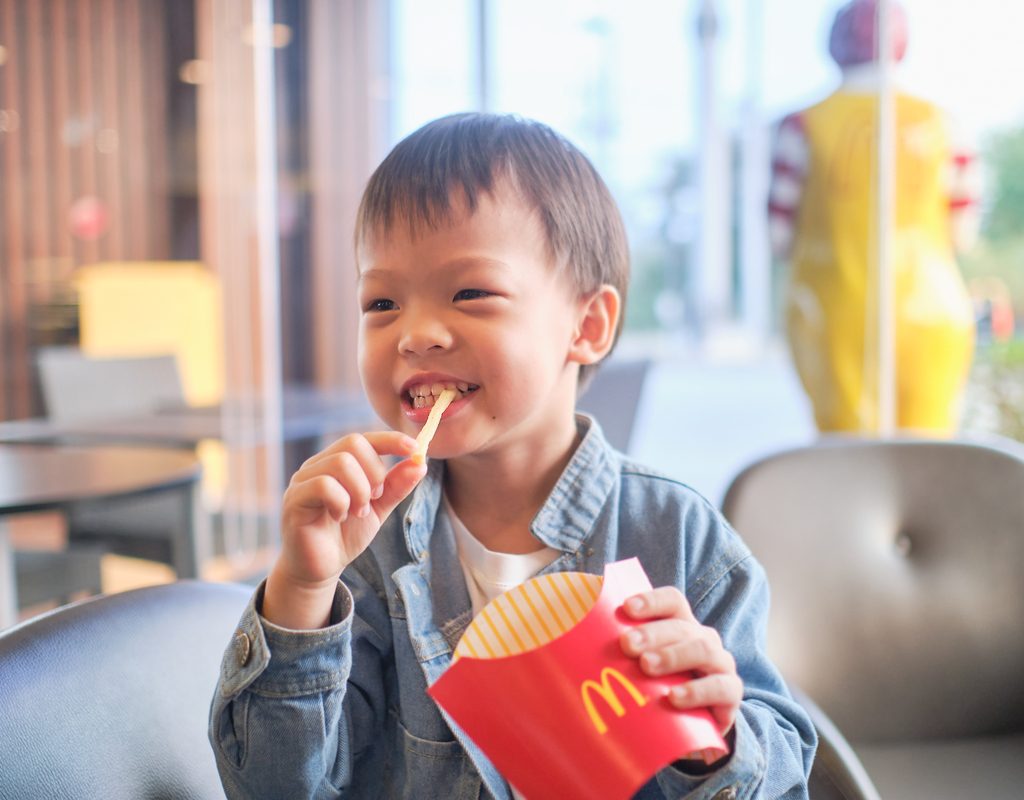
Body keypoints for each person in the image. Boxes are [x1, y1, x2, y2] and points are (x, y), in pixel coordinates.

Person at [210, 112, 816, 799]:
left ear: (587, 326)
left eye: (470, 293)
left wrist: (717, 740)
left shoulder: (679, 540)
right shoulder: (365, 553)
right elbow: (272, 787)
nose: (415, 334)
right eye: (381, 302)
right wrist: (302, 590)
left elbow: (784, 770)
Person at [768, 0, 980, 434]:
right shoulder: (944, 122)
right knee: (927, 451)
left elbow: (778, 237)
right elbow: (963, 233)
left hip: (831, 307)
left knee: (848, 453)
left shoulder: (802, 124)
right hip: (932, 307)